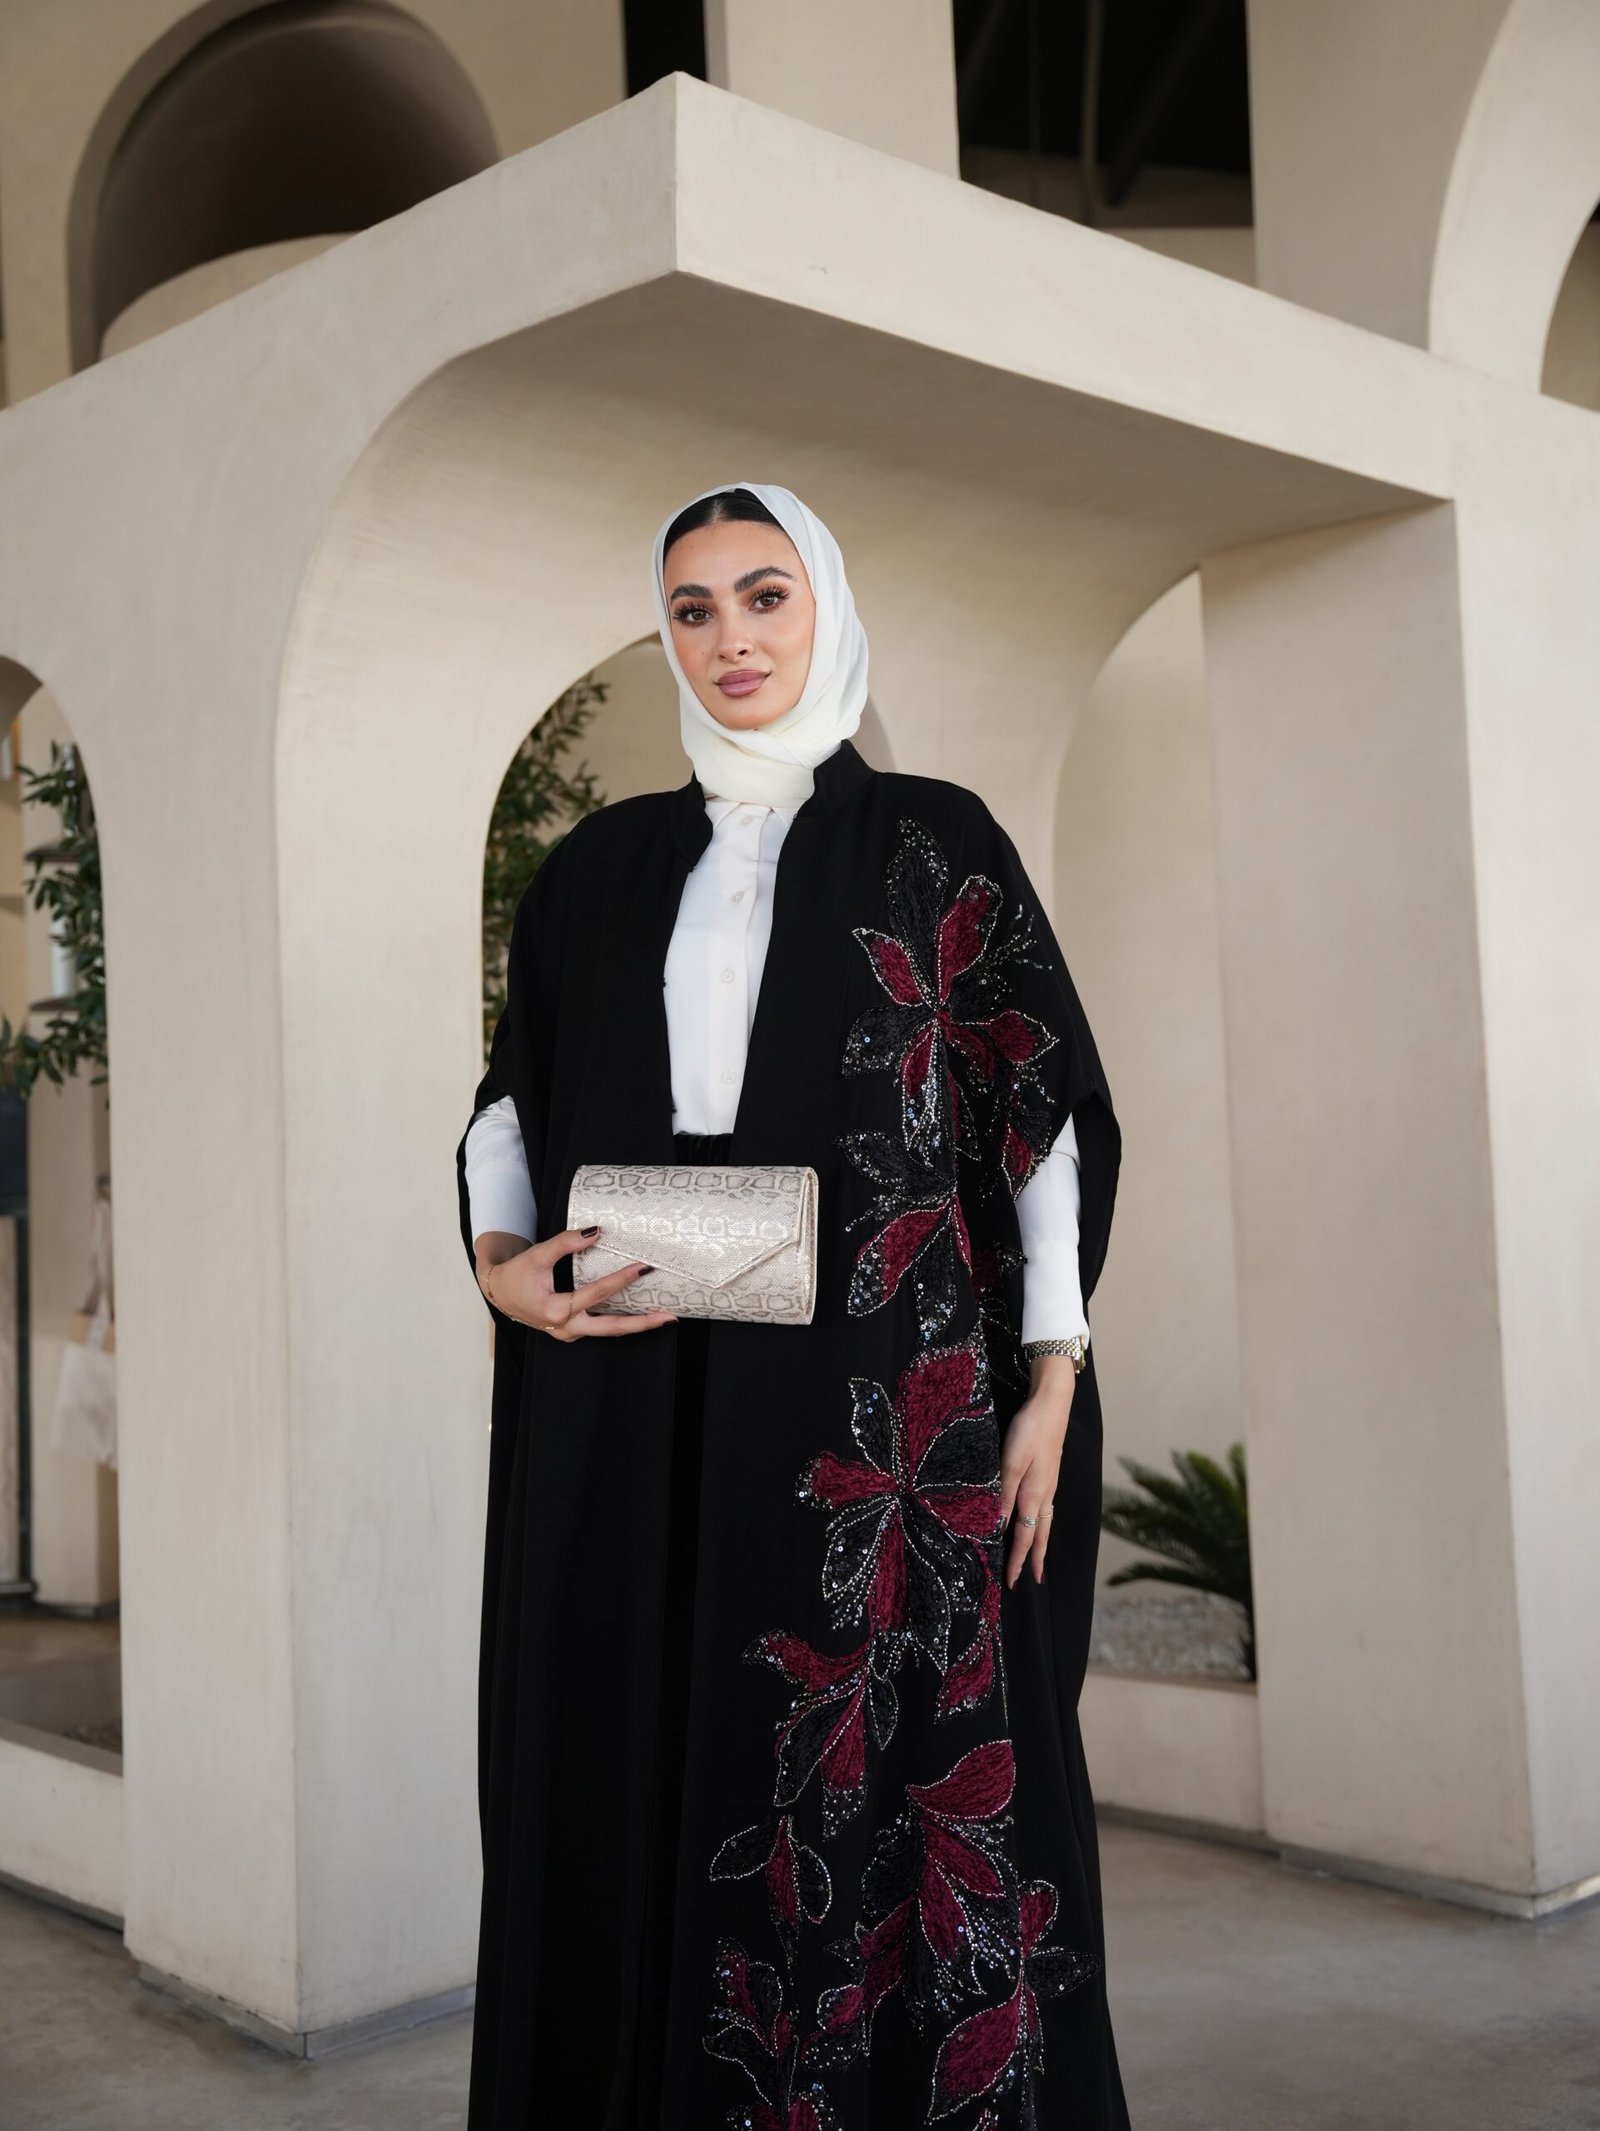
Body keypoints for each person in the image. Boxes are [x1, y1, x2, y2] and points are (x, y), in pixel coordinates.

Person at [456, 480, 1127, 2129]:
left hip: (873, 1409)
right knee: (639, 1745)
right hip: (633, 1402)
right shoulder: (598, 868)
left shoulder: (933, 839)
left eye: (765, 596)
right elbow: (512, 1105)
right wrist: (498, 1264)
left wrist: (1051, 1373)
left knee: (862, 1782)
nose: (732, 638)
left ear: (825, 603)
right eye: (693, 609)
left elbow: (1035, 1106)